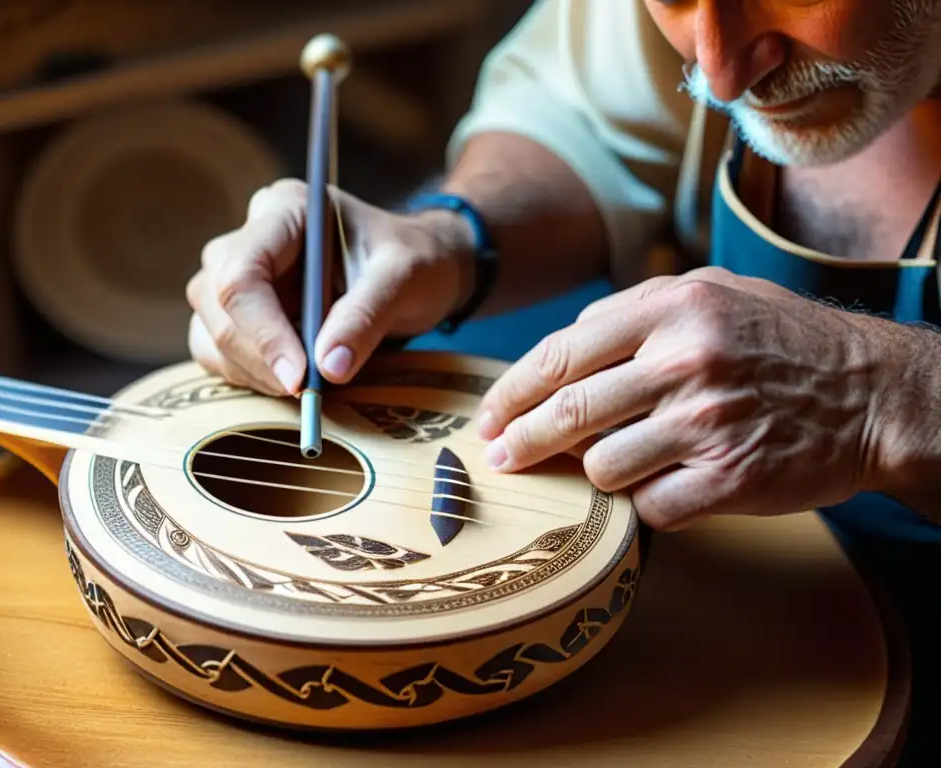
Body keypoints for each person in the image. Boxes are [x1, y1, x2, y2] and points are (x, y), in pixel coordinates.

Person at [186, 0, 941, 760]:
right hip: (736, 575)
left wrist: (890, 397)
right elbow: (584, 114)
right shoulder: (720, 42)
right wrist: (451, 236)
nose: (718, 72)